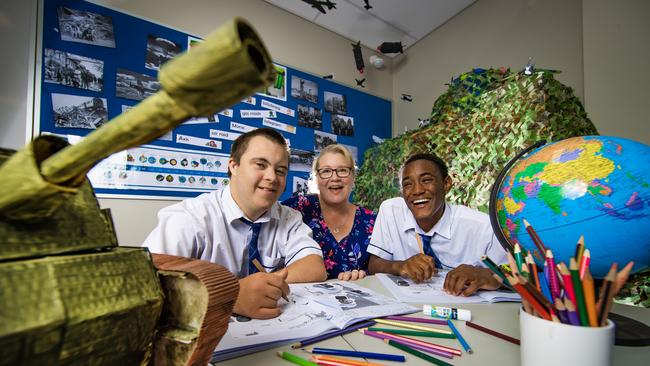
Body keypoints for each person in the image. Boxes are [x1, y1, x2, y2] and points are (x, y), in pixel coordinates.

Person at [143, 128, 327, 319]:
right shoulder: (189, 218)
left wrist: (264, 285)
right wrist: (231, 295)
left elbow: (314, 267)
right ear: (234, 166)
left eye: (280, 170)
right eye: (260, 164)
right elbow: (145, 289)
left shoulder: (289, 217)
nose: (272, 177)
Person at [367, 152, 508, 296]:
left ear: (446, 184)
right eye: (408, 184)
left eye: (426, 180)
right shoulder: (391, 211)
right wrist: (400, 266)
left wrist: (484, 274)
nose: (417, 191)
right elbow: (374, 264)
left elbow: (522, 276)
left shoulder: (483, 227)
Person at [282, 144, 376, 281]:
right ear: (317, 179)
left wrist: (364, 277)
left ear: (353, 177)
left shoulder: (371, 221)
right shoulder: (297, 208)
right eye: (326, 171)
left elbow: (380, 266)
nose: (335, 178)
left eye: (342, 170)